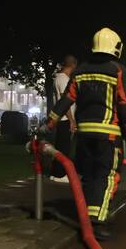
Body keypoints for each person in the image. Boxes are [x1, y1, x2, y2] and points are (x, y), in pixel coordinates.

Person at [40, 27, 126, 240]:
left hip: (83, 135)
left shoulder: (80, 71)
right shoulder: (119, 70)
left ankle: (88, 214)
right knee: (107, 176)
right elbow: (125, 104)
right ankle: (97, 221)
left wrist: (49, 123)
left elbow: (66, 99)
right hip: (109, 136)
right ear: (116, 47)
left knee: (89, 174)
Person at [49, 55, 78, 183]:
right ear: (72, 65)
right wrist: (71, 119)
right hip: (64, 119)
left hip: (62, 119)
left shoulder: (59, 78)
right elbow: (64, 101)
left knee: (60, 147)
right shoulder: (63, 79)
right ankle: (60, 174)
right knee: (64, 148)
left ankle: (55, 173)